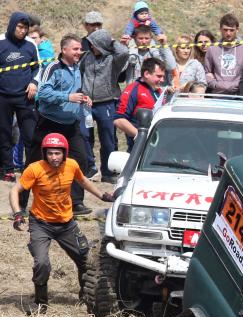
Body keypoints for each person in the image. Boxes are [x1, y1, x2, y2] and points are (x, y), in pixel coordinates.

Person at [8, 133, 114, 313]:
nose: (54, 157)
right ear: (44, 153)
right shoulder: (34, 169)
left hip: (66, 224)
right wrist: (18, 214)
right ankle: (40, 304)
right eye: (50, 153)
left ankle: (85, 296)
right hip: (40, 224)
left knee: (86, 259)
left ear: (64, 153)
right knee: (41, 263)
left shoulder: (72, 165)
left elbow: (84, 181)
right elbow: (15, 191)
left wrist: (104, 196)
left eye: (57, 153)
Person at [32, 34, 92, 215]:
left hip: (71, 124)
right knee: (35, 161)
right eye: (75, 49)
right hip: (49, 123)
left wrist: (83, 97)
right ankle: (22, 202)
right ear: (64, 49)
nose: (79, 52)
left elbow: (75, 91)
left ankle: (76, 202)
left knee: (80, 159)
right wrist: (67, 97)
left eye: (80, 49)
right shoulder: (53, 67)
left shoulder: (77, 68)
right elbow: (42, 93)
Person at [80, 28, 128, 184]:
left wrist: (111, 41)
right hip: (86, 103)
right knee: (85, 136)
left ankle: (108, 172)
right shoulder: (86, 57)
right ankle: (90, 168)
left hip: (106, 103)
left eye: (94, 44)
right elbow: (80, 73)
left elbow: (124, 53)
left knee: (107, 139)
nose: (91, 46)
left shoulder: (113, 60)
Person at [0, 12, 39, 183]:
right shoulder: (1, 42)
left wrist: (34, 83)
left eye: (25, 28)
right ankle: (7, 169)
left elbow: (37, 68)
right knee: (4, 134)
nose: (23, 31)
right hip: (3, 97)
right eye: (20, 27)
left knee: (30, 134)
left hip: (25, 97)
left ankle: (30, 169)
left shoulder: (30, 44)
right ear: (12, 25)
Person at [115, 57, 165, 150]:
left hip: (158, 146)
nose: (162, 80)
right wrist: (140, 136)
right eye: (159, 76)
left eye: (163, 76)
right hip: (139, 148)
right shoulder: (133, 90)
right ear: (146, 74)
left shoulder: (158, 90)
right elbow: (119, 120)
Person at [203, 13, 243, 95]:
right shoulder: (212, 49)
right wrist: (217, 84)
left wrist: (239, 84)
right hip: (218, 96)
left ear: (237, 29)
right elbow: (207, 73)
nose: (228, 33)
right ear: (220, 29)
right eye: (225, 30)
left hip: (240, 95)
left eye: (231, 30)